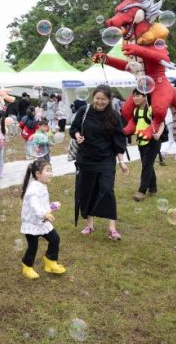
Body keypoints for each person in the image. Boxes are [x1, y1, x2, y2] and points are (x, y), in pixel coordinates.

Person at [71, 85, 129, 241]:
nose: (100, 102)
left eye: (103, 99)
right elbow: (74, 128)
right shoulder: (84, 111)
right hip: (86, 159)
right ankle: (89, 225)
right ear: (93, 97)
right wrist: (77, 135)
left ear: (109, 100)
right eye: (97, 98)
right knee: (87, 191)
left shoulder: (114, 116)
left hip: (106, 159)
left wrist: (121, 161)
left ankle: (112, 229)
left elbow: (119, 140)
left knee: (107, 190)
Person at [20, 159, 66, 279]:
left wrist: (51, 206)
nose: (51, 173)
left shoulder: (41, 185)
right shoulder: (33, 189)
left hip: (41, 221)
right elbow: (35, 207)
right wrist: (45, 214)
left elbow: (42, 205)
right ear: (38, 174)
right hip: (32, 223)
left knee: (55, 239)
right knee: (33, 246)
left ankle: (50, 261)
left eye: (51, 170)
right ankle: (27, 267)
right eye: (47, 170)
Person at [130, 89, 164, 202]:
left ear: (145, 96)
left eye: (138, 95)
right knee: (147, 165)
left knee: (146, 165)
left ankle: (142, 191)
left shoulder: (151, 109)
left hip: (152, 142)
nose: (135, 98)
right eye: (134, 96)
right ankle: (153, 188)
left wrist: (158, 134)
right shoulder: (135, 110)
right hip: (141, 142)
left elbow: (161, 122)